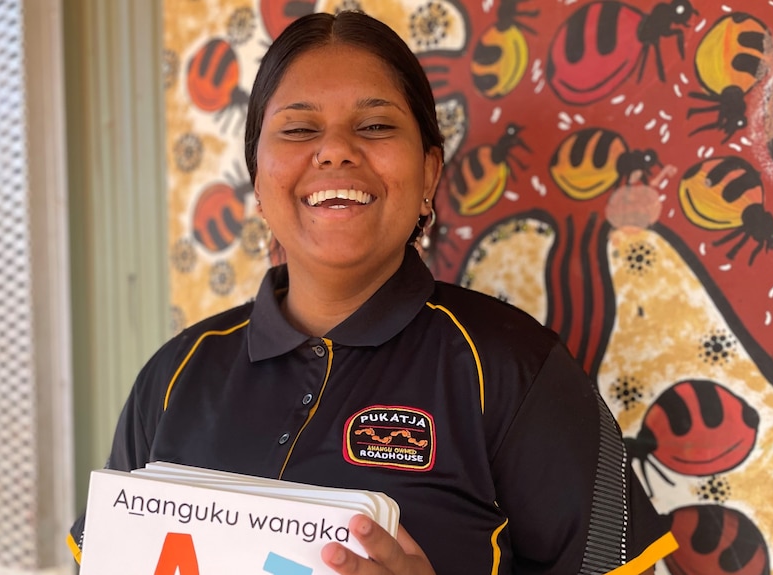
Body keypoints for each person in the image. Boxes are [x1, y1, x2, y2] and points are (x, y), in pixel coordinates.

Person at [68, 10, 677, 575]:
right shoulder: (176, 374)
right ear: (258, 179)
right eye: (300, 128)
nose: (334, 150)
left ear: (429, 174)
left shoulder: (514, 369)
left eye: (376, 125)